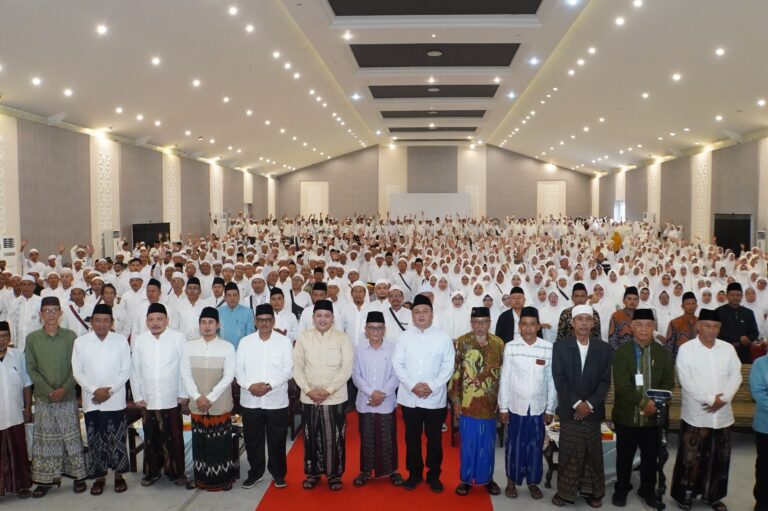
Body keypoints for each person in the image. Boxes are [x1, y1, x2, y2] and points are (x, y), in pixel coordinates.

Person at [671, 308, 742, 511]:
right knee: (690, 458)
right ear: (698, 327)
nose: (712, 330)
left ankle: (714, 496)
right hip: (696, 413)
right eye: (708, 326)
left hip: (723, 414)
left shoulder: (728, 349)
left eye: (716, 327)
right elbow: (686, 380)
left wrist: (725, 398)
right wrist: (711, 399)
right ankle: (684, 495)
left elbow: (735, 375)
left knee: (720, 457)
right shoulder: (687, 349)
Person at [611, 308, 675, 507]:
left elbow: (668, 382)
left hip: (653, 418)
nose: (644, 329)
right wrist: (642, 403)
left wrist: (653, 404)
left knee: (650, 458)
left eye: (648, 325)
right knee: (624, 456)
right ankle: (621, 488)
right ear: (631, 327)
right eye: (639, 325)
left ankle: (647, 490)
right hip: (627, 416)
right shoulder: (622, 352)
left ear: (654, 327)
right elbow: (621, 385)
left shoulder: (662, 352)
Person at [25, 296, 87, 497]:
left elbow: (77, 367)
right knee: (45, 440)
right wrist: (46, 389)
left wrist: (64, 388)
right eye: (47, 311)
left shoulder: (71, 337)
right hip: (44, 397)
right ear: (41, 314)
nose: (51, 314)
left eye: (54, 310)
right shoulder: (32, 338)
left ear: (61, 313)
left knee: (71, 436)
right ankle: (45, 480)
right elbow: (31, 368)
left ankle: (78, 476)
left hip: (67, 395)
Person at [551, 304, 612, 507]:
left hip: (592, 410)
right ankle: (565, 492)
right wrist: (577, 404)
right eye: (580, 319)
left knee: (592, 453)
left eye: (588, 319)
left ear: (593, 323)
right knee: (569, 452)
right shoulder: (560, 347)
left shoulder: (603, 348)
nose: (584, 323)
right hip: (570, 409)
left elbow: (605, 381)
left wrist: (589, 404)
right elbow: (559, 379)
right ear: (572, 323)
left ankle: (592, 492)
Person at [393, 294, 455, 493]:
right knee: (411, 438)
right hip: (409, 398)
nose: (421, 315)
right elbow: (398, 364)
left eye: (425, 311)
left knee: (434, 439)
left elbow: (448, 366)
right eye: (417, 312)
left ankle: (434, 475)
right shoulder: (404, 337)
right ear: (412, 315)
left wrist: (432, 386)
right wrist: (412, 385)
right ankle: (414, 474)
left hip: (434, 398)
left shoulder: (443, 338)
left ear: (432, 314)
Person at [293, 299, 353, 491]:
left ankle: (335, 475)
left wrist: (328, 391)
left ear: (333, 318)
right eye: (319, 315)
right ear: (313, 318)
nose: (323, 319)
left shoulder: (342, 338)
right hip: (309, 396)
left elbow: (346, 369)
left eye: (327, 316)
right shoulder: (304, 337)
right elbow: (297, 367)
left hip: (334, 397)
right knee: (311, 436)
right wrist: (309, 390)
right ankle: (313, 473)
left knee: (335, 436)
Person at [71, 304, 131, 495]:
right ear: (91, 322)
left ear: (112, 322)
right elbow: (77, 372)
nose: (102, 324)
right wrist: (95, 390)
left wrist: (109, 391)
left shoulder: (121, 341)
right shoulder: (80, 342)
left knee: (117, 438)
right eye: (97, 320)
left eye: (106, 320)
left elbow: (126, 370)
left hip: (115, 399)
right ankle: (99, 477)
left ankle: (119, 476)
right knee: (95, 439)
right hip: (92, 400)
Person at [498, 306, 556, 500]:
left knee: (535, 445)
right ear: (519, 326)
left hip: (538, 408)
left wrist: (550, 408)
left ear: (538, 326)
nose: (529, 328)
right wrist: (503, 407)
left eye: (532, 325)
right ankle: (511, 481)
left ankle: (533, 482)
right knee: (514, 445)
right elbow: (505, 378)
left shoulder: (547, 347)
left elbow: (551, 381)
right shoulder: (511, 347)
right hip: (516, 406)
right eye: (524, 324)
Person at [130, 302, 190, 487]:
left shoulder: (178, 338)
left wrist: (184, 392)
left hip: (171, 396)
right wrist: (138, 395)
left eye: (159, 319)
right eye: (151, 319)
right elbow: (135, 370)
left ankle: (176, 473)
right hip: (148, 398)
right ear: (146, 322)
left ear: (167, 320)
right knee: (151, 436)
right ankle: (152, 472)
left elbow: (184, 367)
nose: (155, 323)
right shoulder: (140, 340)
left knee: (174, 436)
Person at [236, 303, 293, 490]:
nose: (264, 323)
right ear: (255, 322)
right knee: (253, 440)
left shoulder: (284, 342)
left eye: (268, 320)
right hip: (250, 399)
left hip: (276, 399)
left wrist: (268, 386)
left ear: (273, 321)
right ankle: (256, 473)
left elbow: (288, 371)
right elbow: (239, 370)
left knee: (277, 440)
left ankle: (278, 474)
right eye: (260, 320)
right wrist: (250, 385)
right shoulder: (246, 342)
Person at [449, 306, 504, 496]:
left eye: (483, 322)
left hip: (490, 403)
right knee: (468, 443)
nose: (480, 326)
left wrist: (502, 401)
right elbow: (456, 372)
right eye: (476, 322)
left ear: (489, 323)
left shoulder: (498, 343)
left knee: (488, 444)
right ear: (471, 323)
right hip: (468, 403)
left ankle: (487, 479)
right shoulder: (463, 342)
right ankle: (466, 480)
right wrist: (456, 400)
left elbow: (503, 375)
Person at [182, 307, 237, 491]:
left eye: (211, 322)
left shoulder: (227, 347)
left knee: (220, 441)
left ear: (218, 325)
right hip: (197, 403)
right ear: (199, 325)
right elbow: (185, 374)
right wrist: (197, 397)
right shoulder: (188, 347)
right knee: (200, 442)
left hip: (219, 402)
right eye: (203, 322)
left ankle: (223, 479)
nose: (207, 326)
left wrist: (210, 397)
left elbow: (229, 376)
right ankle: (201, 479)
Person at [351, 311, 403, 487]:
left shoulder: (393, 348)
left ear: (384, 330)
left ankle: (392, 471)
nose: (375, 331)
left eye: (379, 328)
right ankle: (365, 471)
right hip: (365, 400)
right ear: (366, 329)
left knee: (388, 436)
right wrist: (370, 392)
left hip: (386, 401)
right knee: (366, 436)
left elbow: (397, 374)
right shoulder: (358, 348)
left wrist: (381, 394)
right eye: (372, 328)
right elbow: (355, 374)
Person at [0, 320, 33, 498]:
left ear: (10, 338)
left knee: (19, 449)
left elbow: (27, 384)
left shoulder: (18, 356)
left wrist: (27, 408)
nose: (1, 340)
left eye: (5, 336)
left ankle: (22, 485)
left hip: (14, 412)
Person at [717, 282, 760, 363]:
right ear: (727, 295)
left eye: (738, 295)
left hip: (743, 352)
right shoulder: (718, 312)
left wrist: (748, 338)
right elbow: (717, 332)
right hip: (723, 352)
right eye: (732, 295)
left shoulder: (748, 312)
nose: (735, 298)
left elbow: (755, 332)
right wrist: (738, 339)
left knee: (743, 374)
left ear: (742, 296)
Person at [750, 353, 768, 511]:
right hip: (765, 426)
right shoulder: (760, 364)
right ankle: (762, 501)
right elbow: (758, 393)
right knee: (764, 466)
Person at [665, 291, 698, 359]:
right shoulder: (674, 323)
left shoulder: (701, 323)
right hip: (680, 360)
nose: (691, 306)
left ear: (696, 306)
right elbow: (669, 347)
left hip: (699, 360)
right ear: (682, 306)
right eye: (687, 304)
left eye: (693, 303)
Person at [607, 286, 640, 351]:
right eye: (629, 299)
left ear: (638, 301)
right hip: (621, 354)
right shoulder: (616, 315)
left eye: (635, 299)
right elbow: (612, 340)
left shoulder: (642, 316)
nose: (632, 302)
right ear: (624, 300)